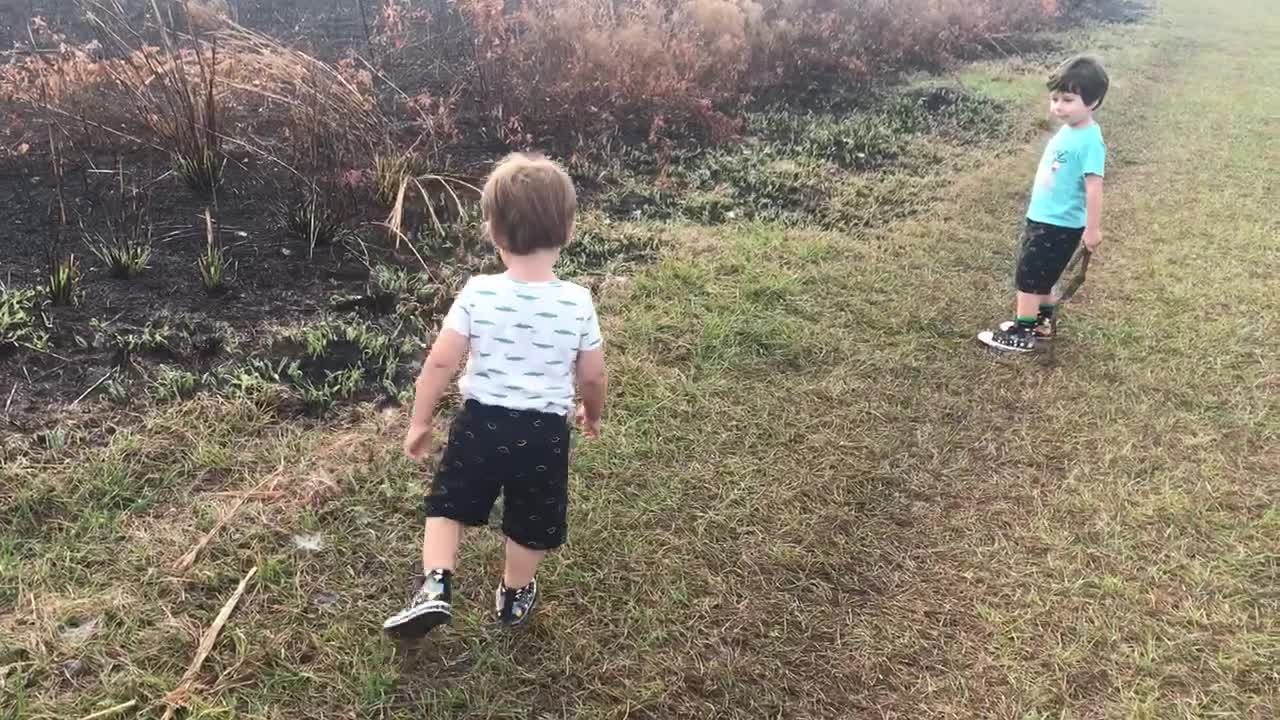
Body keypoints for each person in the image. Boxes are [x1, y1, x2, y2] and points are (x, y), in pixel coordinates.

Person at [383, 153, 608, 637]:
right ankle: (513, 593)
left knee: (449, 504)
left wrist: (420, 421)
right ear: (568, 229)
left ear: (493, 231)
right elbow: (592, 376)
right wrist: (592, 414)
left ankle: (436, 585)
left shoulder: (478, 292)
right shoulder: (577, 302)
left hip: (481, 424)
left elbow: (441, 362)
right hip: (544, 433)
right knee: (531, 518)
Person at [979, 55, 1109, 352]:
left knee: (1028, 276)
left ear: (1093, 101)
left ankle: (1021, 332)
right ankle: (1042, 323)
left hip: (1058, 224)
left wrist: (1092, 230)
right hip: (1044, 218)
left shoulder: (1090, 141)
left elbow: (1094, 187)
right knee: (1044, 276)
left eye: (1067, 99)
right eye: (1055, 99)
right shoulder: (1071, 129)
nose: (1058, 107)